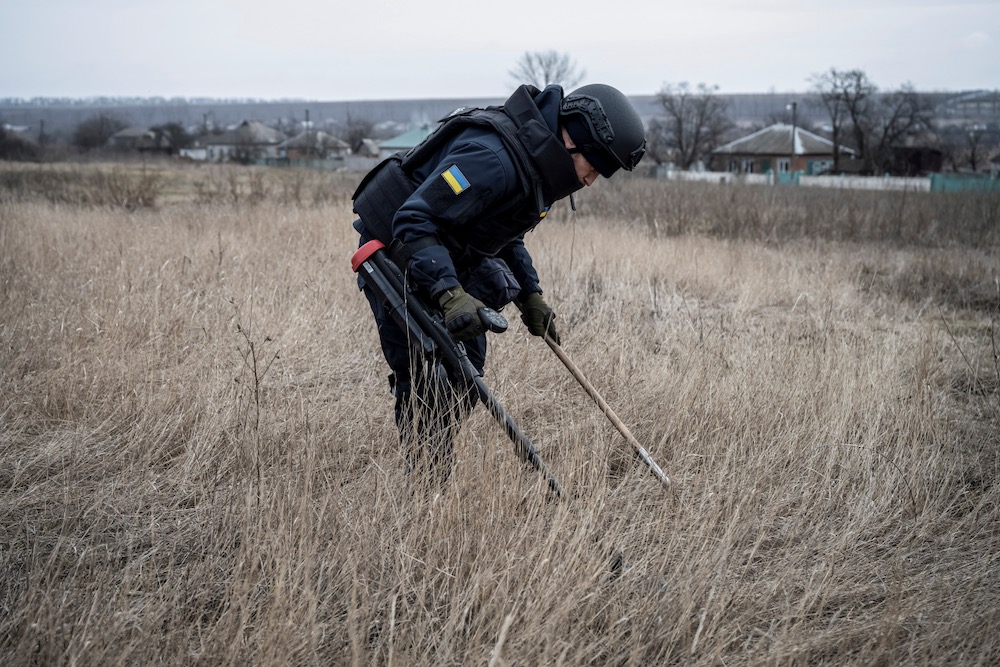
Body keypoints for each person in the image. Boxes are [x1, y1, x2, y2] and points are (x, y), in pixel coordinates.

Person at [352, 82, 646, 487]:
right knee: (427, 373)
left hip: (443, 248)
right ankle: (424, 487)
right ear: (571, 141)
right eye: (592, 169)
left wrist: (531, 294)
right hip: (391, 246)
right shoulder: (492, 160)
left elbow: (506, 233)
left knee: (466, 370)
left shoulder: (534, 165)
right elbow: (414, 219)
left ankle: (431, 468)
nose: (590, 181)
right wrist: (450, 294)